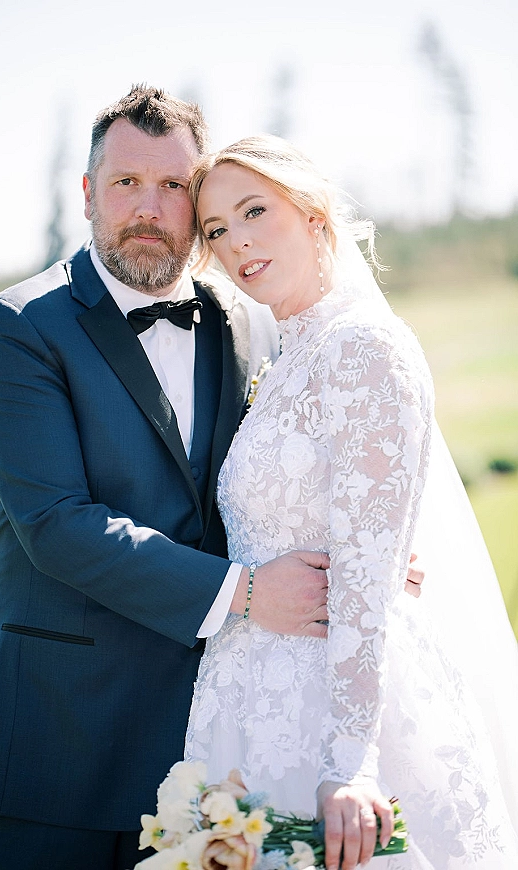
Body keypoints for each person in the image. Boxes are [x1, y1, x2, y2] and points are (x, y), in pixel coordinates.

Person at [0, 86, 340, 870]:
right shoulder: (18, 327)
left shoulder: (247, 320)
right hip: (62, 739)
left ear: (198, 205)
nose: (148, 208)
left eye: (173, 187)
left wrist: (366, 552)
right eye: (126, 183)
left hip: (218, 748)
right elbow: (57, 523)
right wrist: (248, 594)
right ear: (89, 194)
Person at [184, 135, 518, 869]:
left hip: (339, 716)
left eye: (254, 211)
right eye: (215, 229)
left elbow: (368, 577)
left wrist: (352, 764)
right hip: (248, 709)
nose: (236, 241)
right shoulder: (283, 359)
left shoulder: (366, 348)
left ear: (311, 212)